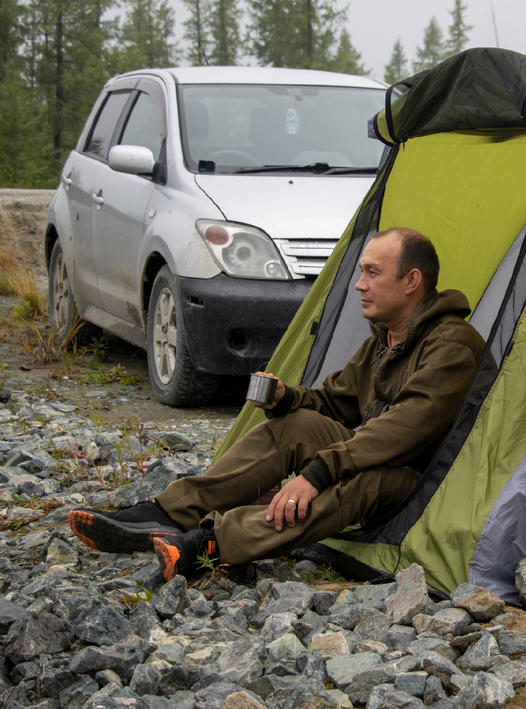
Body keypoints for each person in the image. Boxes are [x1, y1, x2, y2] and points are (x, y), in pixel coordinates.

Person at [68, 228, 485, 581]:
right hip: (383, 460)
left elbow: (403, 429)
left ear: (412, 281)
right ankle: (168, 512)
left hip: (427, 484)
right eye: (361, 272)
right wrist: (288, 398)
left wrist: (317, 474)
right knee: (299, 423)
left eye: (373, 273)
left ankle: (210, 543)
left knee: (362, 478)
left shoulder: (450, 346)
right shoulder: (385, 338)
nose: (359, 284)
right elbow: (335, 405)